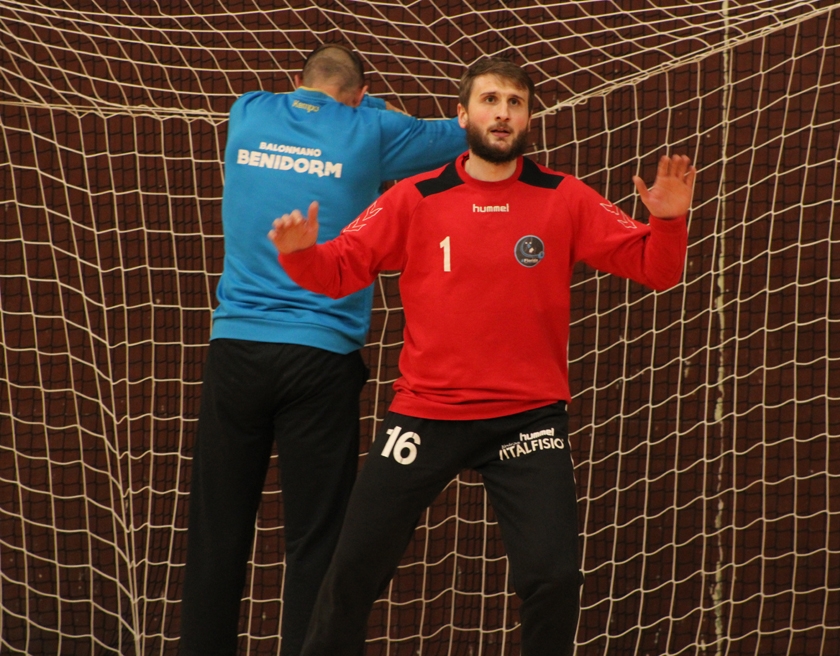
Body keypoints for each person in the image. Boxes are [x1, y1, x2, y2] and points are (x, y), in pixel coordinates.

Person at [269, 56, 694, 656]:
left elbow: (657, 269)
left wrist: (668, 223)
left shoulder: (564, 196)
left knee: (554, 578)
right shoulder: (415, 197)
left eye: (515, 102)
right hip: (426, 414)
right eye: (490, 100)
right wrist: (300, 255)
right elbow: (337, 270)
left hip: (527, 419)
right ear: (463, 115)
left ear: (528, 119)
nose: (502, 113)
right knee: (350, 571)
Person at [178, 43, 466, 656]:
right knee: (316, 539)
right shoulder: (371, 129)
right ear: (359, 96)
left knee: (216, 532)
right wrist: (366, 111)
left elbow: (313, 105)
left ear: (296, 81)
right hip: (320, 358)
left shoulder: (246, 110)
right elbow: (455, 136)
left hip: (236, 352)